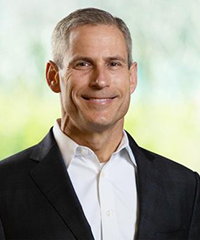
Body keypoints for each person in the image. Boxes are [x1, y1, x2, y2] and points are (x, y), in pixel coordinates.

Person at [0, 7, 199, 240]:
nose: (100, 80)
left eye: (113, 64)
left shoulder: (185, 187)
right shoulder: (5, 185)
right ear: (53, 77)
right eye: (83, 64)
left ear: (132, 76)